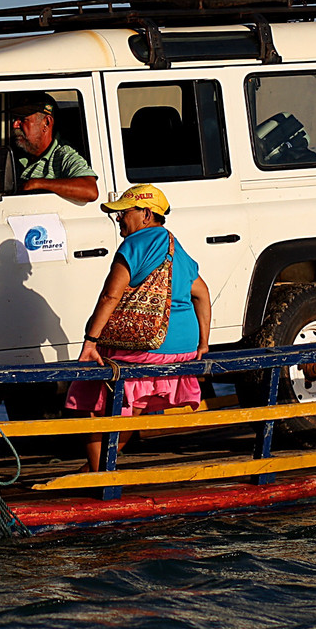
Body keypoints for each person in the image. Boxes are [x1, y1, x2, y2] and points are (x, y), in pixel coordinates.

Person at [66, 184, 212, 472]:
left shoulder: (135, 244)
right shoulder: (174, 246)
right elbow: (202, 294)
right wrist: (203, 344)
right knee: (132, 405)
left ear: (146, 214)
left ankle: (100, 476)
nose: (119, 218)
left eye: (124, 212)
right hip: (179, 351)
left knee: (87, 392)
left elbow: (111, 295)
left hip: (145, 348)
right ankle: (99, 467)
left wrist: (91, 340)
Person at [7, 93, 99, 204]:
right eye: (14, 119)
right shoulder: (16, 153)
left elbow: (90, 190)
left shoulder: (63, 155)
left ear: (46, 122)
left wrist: (38, 184)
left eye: (22, 119)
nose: (15, 125)